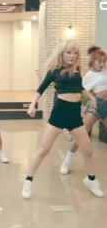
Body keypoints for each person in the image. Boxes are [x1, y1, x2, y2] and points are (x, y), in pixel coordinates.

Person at [23, 40, 103, 199]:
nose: (72, 56)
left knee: (88, 151)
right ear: (61, 54)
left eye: (75, 53)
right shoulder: (54, 71)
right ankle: (28, 181)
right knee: (43, 150)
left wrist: (91, 98)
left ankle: (91, 180)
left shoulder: (76, 71)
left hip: (74, 115)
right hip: (59, 114)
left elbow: (80, 88)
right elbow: (41, 88)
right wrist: (32, 105)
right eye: (69, 52)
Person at [60, 46, 107, 176]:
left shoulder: (105, 70)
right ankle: (67, 161)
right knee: (81, 135)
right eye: (99, 61)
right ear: (92, 61)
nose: (102, 64)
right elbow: (79, 92)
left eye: (104, 61)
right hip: (96, 105)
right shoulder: (88, 76)